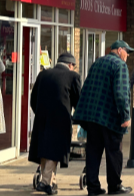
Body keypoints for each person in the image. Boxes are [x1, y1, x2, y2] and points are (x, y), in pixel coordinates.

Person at [73, 40, 133, 195]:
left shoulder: (97, 62)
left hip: (93, 117)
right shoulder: (120, 65)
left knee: (93, 152)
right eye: (127, 51)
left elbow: (87, 87)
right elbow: (121, 94)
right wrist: (126, 116)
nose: (128, 55)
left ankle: (93, 187)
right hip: (110, 118)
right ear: (119, 50)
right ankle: (115, 186)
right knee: (114, 152)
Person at [29, 53, 82, 195]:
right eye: (74, 66)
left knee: (45, 149)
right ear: (70, 65)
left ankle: (49, 180)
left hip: (42, 118)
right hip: (61, 119)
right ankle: (45, 182)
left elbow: (33, 99)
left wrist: (40, 112)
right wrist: (80, 118)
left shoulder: (43, 75)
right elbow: (78, 102)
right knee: (55, 150)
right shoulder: (73, 77)